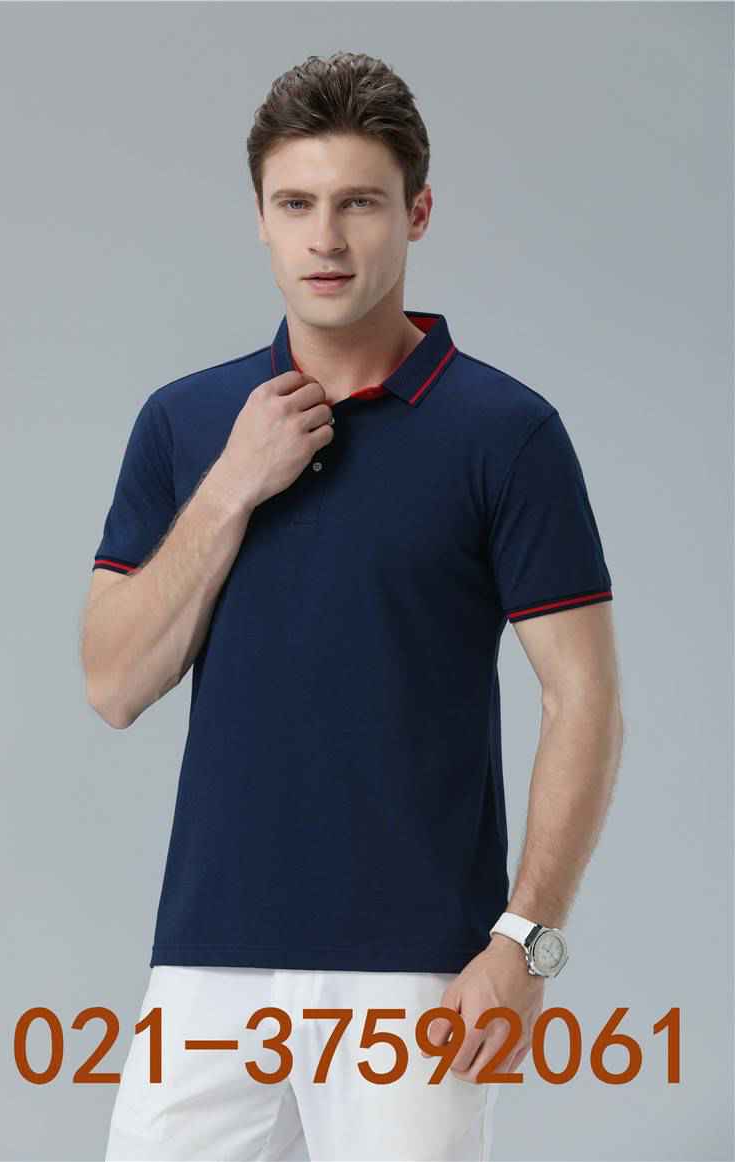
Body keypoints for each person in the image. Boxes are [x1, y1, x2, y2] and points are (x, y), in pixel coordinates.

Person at [82, 50, 624, 1162]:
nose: (324, 239)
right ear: (260, 219)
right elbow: (113, 683)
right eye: (295, 205)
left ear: (415, 213)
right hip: (208, 961)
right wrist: (232, 485)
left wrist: (525, 943)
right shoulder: (185, 424)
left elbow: (586, 703)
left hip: (419, 972)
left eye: (358, 204)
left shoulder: (506, 433)